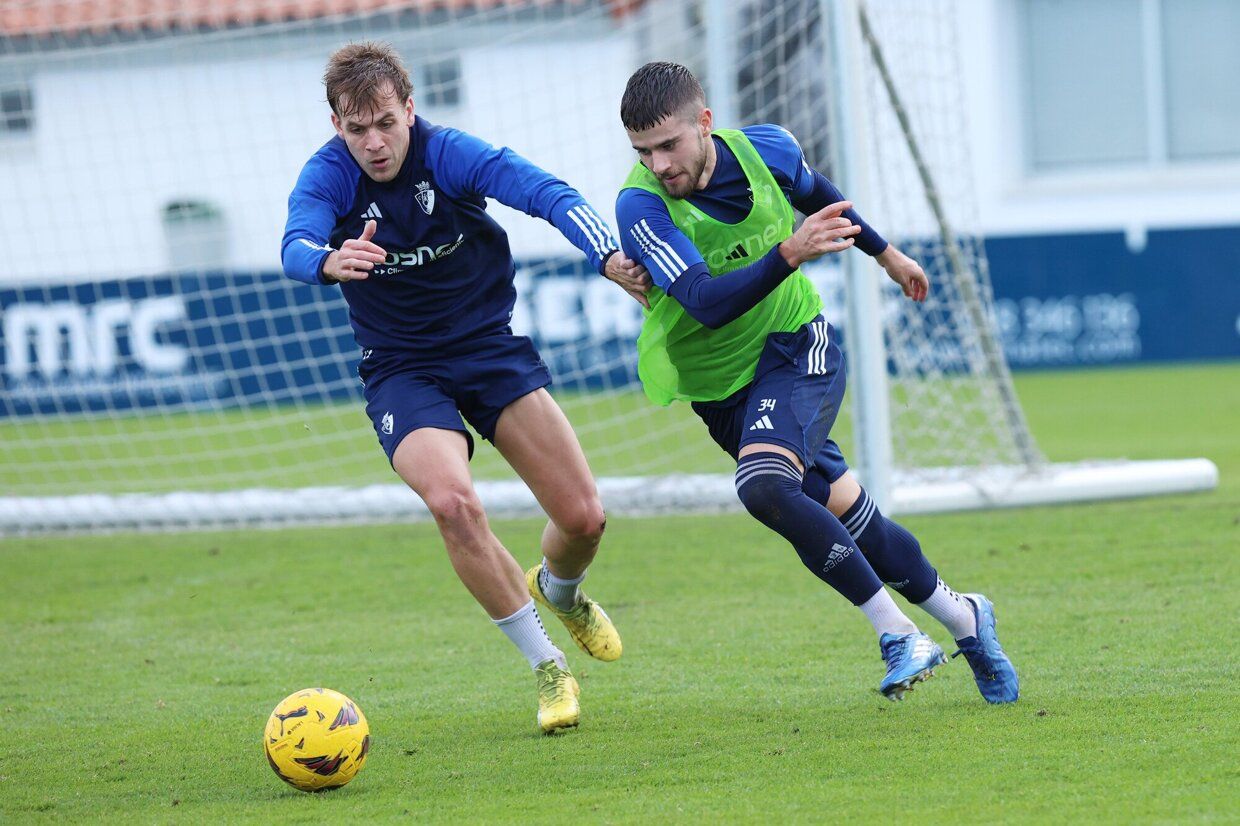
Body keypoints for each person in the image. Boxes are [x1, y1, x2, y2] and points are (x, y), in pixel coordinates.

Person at [613, 61, 1017, 703]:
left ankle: (898, 634)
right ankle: (967, 618)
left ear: (706, 124)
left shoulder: (765, 148)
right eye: (643, 151)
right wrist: (789, 253)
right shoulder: (641, 206)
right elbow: (705, 303)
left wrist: (888, 255)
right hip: (722, 393)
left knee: (764, 484)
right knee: (852, 518)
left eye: (669, 145)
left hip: (796, 346)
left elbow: (816, 191)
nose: (659, 165)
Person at [282, 42, 646, 733]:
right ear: (337, 127)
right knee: (452, 504)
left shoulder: (447, 154)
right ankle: (547, 668)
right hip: (401, 369)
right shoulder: (326, 177)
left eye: (386, 122)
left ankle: (562, 593)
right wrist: (328, 260)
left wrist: (604, 254)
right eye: (357, 130)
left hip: (486, 350)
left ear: (409, 110)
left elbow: (548, 193)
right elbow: (294, 244)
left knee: (584, 518)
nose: (375, 142)